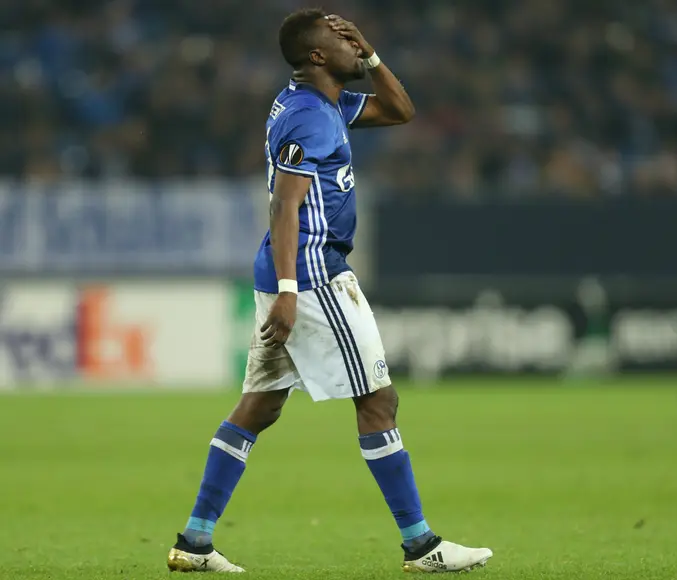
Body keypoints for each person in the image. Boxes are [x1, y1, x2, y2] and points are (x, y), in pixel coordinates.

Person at [165, 8, 492, 574]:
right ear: (317, 56)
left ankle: (195, 542)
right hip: (313, 275)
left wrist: (372, 54)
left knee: (259, 407)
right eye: (343, 44)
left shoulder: (322, 103)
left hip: (288, 273)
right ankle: (421, 545)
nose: (354, 50)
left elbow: (401, 110)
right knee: (378, 401)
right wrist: (290, 290)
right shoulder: (311, 117)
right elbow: (284, 204)